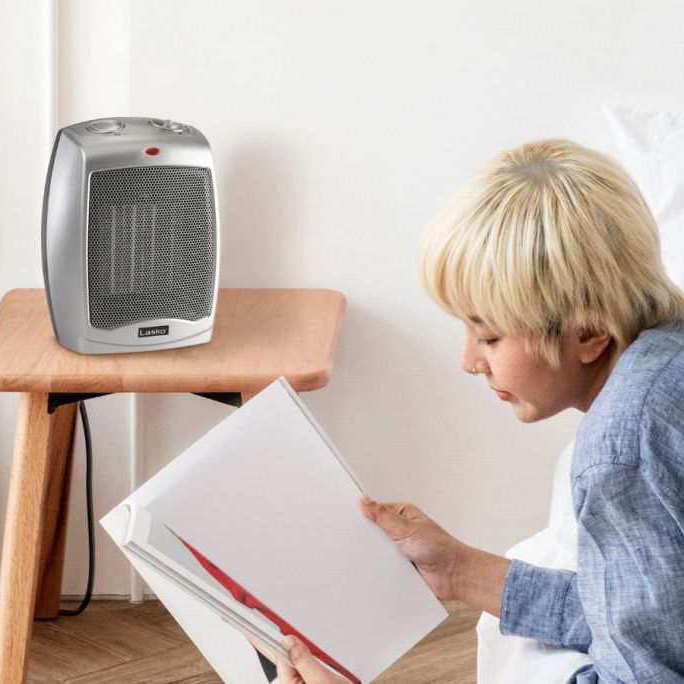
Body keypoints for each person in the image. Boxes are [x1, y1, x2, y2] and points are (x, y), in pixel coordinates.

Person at [278, 139, 684, 683]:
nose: (468, 360)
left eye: (489, 336)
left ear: (588, 331)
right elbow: (645, 618)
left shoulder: (620, 449)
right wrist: (461, 570)